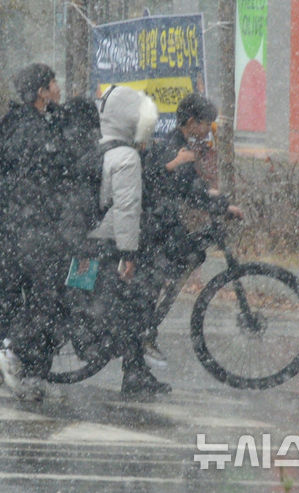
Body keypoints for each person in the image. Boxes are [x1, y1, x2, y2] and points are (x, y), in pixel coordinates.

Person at [139, 93, 243, 366]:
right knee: (160, 274)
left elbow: (191, 186)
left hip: (162, 222)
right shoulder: (176, 148)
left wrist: (216, 198)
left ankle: (144, 335)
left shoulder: (180, 145)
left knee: (181, 261)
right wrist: (221, 206)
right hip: (156, 225)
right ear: (192, 122)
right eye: (206, 123)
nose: (209, 129)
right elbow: (186, 190)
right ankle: (144, 330)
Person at [0, 62, 69, 401]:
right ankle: (13, 359)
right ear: (41, 92)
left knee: (11, 293)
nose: (58, 89)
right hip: (29, 227)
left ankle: (7, 362)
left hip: (12, 227)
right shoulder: (32, 130)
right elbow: (36, 181)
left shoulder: (15, 122)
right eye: (53, 84)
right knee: (43, 300)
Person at [85, 85, 173, 396]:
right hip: (110, 244)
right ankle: (134, 369)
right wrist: (129, 253)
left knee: (87, 300)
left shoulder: (98, 148)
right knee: (136, 302)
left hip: (88, 240)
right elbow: (126, 210)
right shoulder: (126, 158)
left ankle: (133, 366)